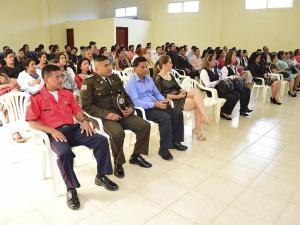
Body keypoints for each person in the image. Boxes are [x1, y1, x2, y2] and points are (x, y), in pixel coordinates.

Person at [26, 64, 118, 210]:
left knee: (101, 140)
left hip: (73, 129)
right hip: (54, 133)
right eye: (57, 77)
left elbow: (77, 112)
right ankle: (71, 189)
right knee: (64, 153)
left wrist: (84, 121)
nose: (61, 79)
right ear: (46, 79)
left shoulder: (67, 93)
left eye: (62, 76)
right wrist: (51, 131)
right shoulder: (36, 98)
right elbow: (32, 122)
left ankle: (101, 176)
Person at [81, 55, 151, 178]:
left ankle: (136, 156)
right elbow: (86, 106)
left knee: (144, 125)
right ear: (96, 69)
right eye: (106, 65)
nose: (110, 67)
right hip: (104, 118)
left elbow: (125, 95)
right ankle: (118, 163)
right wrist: (106, 114)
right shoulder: (89, 82)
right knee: (118, 133)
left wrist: (130, 107)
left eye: (110, 64)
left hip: (121, 113)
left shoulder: (115, 78)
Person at [125, 57, 187, 161]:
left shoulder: (148, 78)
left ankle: (175, 142)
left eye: (146, 66)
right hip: (144, 109)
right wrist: (154, 104)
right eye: (142, 67)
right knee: (165, 118)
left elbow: (156, 93)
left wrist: (163, 100)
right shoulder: (132, 83)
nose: (145, 69)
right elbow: (136, 102)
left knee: (177, 113)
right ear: (135, 68)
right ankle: (164, 149)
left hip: (156, 104)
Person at [154, 55, 208, 140]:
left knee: (196, 92)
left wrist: (182, 90)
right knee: (197, 103)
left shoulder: (170, 75)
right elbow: (161, 95)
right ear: (164, 65)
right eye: (170, 62)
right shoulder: (158, 78)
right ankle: (199, 127)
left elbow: (178, 87)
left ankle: (203, 119)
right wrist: (177, 96)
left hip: (180, 96)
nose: (172, 64)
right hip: (173, 101)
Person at [200, 55, 239, 120]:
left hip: (220, 88)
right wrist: (217, 82)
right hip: (212, 91)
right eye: (213, 60)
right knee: (231, 97)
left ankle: (226, 112)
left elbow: (220, 78)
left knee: (237, 95)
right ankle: (223, 112)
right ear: (208, 62)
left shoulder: (214, 69)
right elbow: (207, 85)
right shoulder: (204, 71)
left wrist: (222, 80)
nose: (215, 61)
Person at [221, 50, 252, 117]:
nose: (235, 57)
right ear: (229, 57)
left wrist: (241, 76)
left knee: (247, 90)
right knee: (242, 91)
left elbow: (237, 76)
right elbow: (223, 79)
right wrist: (234, 76)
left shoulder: (234, 67)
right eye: (234, 56)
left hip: (234, 85)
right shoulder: (225, 68)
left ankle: (243, 109)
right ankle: (227, 111)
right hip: (228, 87)